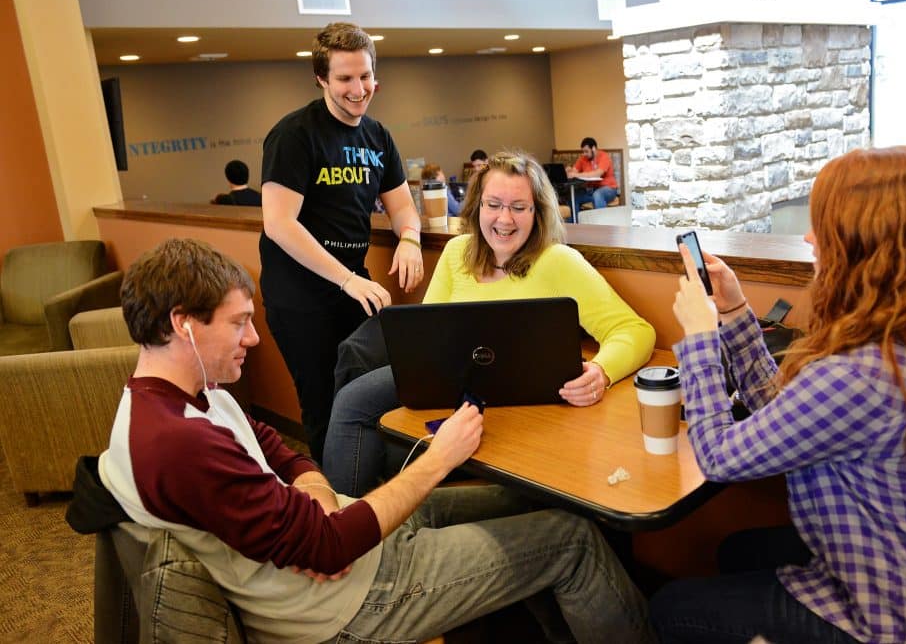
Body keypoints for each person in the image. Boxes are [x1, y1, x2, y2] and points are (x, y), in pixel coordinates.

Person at [98, 237, 655, 644]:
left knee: (533, 499)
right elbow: (329, 550)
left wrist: (318, 497)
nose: (254, 337)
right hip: (343, 605)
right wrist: (438, 460)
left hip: (339, 536)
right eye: (239, 322)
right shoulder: (178, 444)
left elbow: (275, 447)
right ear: (183, 323)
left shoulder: (181, 393)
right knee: (572, 539)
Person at [651, 146, 906, 643]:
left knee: (672, 607)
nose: (810, 237)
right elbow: (784, 412)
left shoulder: (860, 374)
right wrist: (731, 311)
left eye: (824, 226)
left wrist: (700, 340)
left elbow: (718, 457)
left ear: (865, 245)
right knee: (736, 553)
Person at [324, 150, 655, 496]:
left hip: (522, 403)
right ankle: (346, 529)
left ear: (537, 212)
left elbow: (634, 330)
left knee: (391, 453)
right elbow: (426, 338)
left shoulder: (559, 262)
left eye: (518, 207)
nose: (504, 219)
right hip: (451, 391)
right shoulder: (457, 252)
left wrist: (601, 372)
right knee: (351, 401)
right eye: (494, 204)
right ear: (478, 207)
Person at [259, 22, 424, 464]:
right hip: (300, 294)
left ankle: (368, 490)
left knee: (368, 391)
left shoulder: (377, 137)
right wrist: (347, 279)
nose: (359, 88)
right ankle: (335, 511)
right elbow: (279, 224)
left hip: (353, 285)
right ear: (321, 79)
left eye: (365, 76)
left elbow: (404, 208)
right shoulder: (295, 135)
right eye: (346, 79)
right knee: (323, 403)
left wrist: (409, 239)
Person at [566, 136, 618, 218]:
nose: (584, 154)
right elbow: (573, 172)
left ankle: (602, 226)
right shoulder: (583, 158)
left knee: (597, 195)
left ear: (593, 148)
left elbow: (597, 174)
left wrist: (576, 174)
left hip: (609, 189)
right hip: (591, 191)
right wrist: (569, 171)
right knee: (573, 197)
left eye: (586, 151)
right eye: (583, 152)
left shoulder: (604, 156)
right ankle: (575, 225)